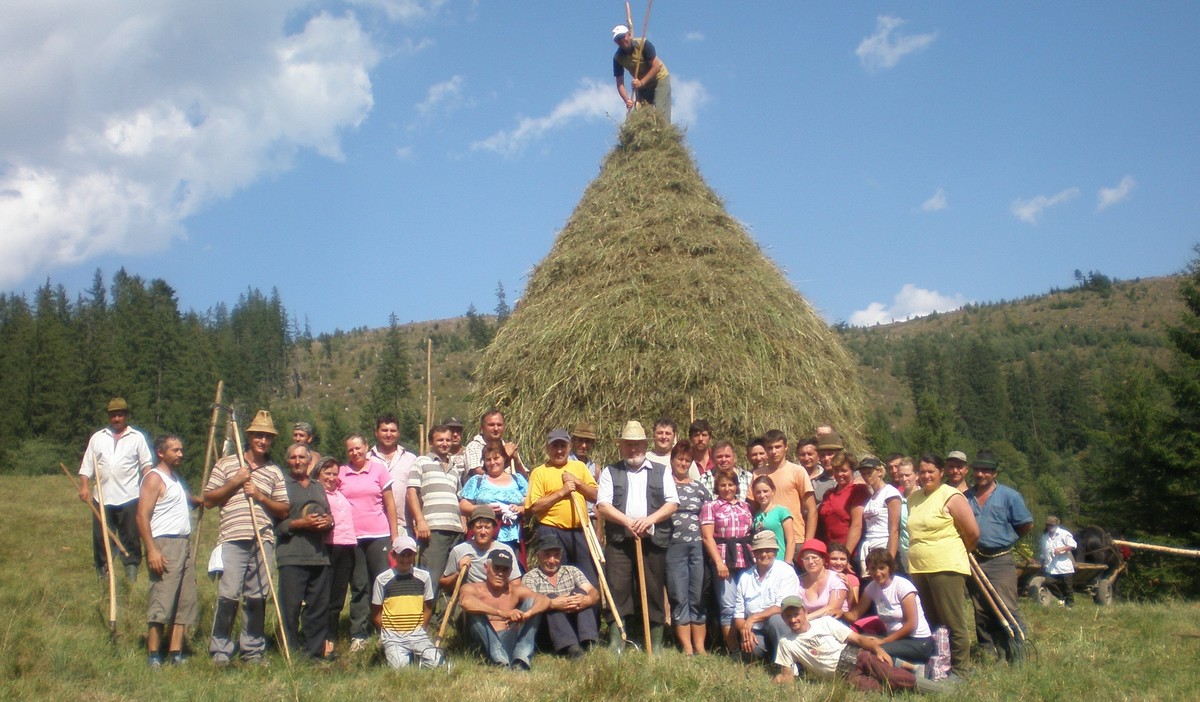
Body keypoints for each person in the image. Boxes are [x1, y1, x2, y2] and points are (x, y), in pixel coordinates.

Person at [202, 410, 290, 666]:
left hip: (262, 538)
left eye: (267, 437)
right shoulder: (228, 464)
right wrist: (237, 482)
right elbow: (208, 500)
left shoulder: (274, 471)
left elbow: (284, 509)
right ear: (249, 437)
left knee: (257, 596)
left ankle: (252, 649)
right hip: (232, 536)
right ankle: (220, 648)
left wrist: (260, 496)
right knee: (228, 594)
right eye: (258, 436)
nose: (263, 440)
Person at [596, 420, 679, 652]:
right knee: (618, 586)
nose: (634, 450)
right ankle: (617, 639)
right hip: (620, 541)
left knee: (653, 588)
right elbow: (603, 505)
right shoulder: (610, 471)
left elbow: (672, 503)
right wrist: (627, 522)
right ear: (621, 446)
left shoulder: (662, 471)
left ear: (645, 445)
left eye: (638, 445)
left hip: (652, 540)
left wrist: (649, 520)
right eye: (628, 445)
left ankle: (656, 641)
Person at [907, 454, 980, 678]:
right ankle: (940, 665)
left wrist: (959, 551)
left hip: (946, 565)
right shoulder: (914, 498)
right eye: (922, 471)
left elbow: (973, 533)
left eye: (931, 471)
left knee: (952, 620)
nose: (926, 475)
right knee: (932, 620)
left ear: (941, 473)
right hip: (919, 567)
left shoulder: (951, 496)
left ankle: (962, 670)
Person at [774, 596, 940, 693]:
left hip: (857, 656)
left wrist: (877, 649)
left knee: (896, 677)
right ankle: (918, 685)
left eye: (796, 614)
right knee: (878, 689)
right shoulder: (786, 643)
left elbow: (858, 639)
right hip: (842, 675)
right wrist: (779, 680)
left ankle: (942, 691)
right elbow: (788, 677)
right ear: (783, 619)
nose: (793, 619)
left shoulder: (824, 622)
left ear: (805, 612)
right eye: (788, 616)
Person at [136, 434, 198, 667]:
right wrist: (152, 549)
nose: (180, 454)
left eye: (181, 450)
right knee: (162, 599)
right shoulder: (154, 478)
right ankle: (154, 655)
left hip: (184, 542)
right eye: (175, 450)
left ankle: (176, 652)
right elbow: (142, 515)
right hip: (164, 543)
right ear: (161, 453)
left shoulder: (175, 479)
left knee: (184, 599)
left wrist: (202, 500)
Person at [965, 449, 1033, 661]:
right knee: (981, 608)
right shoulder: (966, 497)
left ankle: (1018, 650)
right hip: (975, 559)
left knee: (1006, 605)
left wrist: (1006, 539)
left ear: (994, 473)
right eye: (977, 470)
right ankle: (990, 652)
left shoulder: (1009, 496)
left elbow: (1025, 524)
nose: (980, 474)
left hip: (1000, 559)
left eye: (986, 470)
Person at [79, 397, 154, 581]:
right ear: (109, 417)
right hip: (102, 498)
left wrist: (148, 489)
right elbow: (87, 465)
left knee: (131, 538)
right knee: (101, 539)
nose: (117, 419)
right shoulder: (98, 437)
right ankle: (103, 576)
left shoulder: (136, 438)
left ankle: (131, 577)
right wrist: (84, 487)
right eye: (113, 415)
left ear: (126, 416)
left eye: (120, 415)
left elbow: (146, 465)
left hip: (129, 497)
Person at [339, 433, 399, 653]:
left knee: (382, 582)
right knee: (359, 585)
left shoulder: (378, 470)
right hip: (352, 537)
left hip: (379, 534)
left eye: (358, 448)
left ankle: (386, 629)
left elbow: (390, 504)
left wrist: (395, 535)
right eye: (350, 450)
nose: (355, 453)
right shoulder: (341, 473)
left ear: (366, 447)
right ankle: (359, 633)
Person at [525, 429, 600, 599]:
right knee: (558, 578)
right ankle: (561, 620)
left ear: (569, 446)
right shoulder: (540, 472)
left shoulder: (579, 467)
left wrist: (578, 483)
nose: (559, 450)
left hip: (580, 531)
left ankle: (588, 621)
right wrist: (562, 492)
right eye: (555, 446)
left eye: (562, 446)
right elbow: (534, 507)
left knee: (588, 577)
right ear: (548, 448)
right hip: (552, 531)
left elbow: (596, 495)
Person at [275, 443, 332, 660]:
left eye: (302, 457)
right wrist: (300, 524)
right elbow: (277, 526)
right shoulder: (282, 486)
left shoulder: (318, 487)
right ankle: (289, 652)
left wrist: (329, 522)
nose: (297, 461)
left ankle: (313, 654)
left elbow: (327, 515)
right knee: (290, 608)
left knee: (318, 608)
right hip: (292, 555)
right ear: (287, 461)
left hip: (319, 556)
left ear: (310, 461)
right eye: (293, 458)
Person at [458, 551, 551, 670]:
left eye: (505, 569)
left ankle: (520, 661)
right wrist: (502, 613)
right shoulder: (472, 588)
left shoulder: (515, 590)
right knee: (474, 611)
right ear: (486, 568)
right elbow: (466, 602)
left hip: (507, 639)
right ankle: (499, 660)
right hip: (482, 643)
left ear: (510, 572)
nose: (500, 573)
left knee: (532, 603)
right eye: (496, 568)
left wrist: (527, 614)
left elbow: (545, 600)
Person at [407, 425, 466, 609]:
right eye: (440, 440)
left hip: (455, 529)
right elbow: (411, 493)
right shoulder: (422, 462)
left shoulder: (455, 469)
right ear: (431, 442)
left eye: (448, 440)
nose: (445, 443)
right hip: (434, 528)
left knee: (452, 577)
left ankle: (445, 619)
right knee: (431, 576)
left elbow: (459, 499)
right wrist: (420, 520)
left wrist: (463, 523)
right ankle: (425, 623)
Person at [843, 549, 934, 666]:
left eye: (881, 568)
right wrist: (838, 612)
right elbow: (854, 615)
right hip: (894, 640)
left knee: (875, 651)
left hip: (918, 642)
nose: (877, 573)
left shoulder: (902, 586)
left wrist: (883, 642)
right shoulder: (872, 587)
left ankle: (913, 669)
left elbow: (911, 625)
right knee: (858, 643)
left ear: (889, 568)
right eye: (873, 568)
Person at [521, 533, 600, 657]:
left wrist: (588, 599)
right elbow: (531, 604)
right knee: (550, 598)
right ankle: (570, 648)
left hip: (572, 622)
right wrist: (552, 604)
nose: (552, 560)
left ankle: (588, 642)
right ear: (538, 556)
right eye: (547, 555)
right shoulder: (530, 577)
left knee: (581, 593)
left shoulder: (572, 571)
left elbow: (593, 592)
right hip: (548, 631)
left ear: (561, 555)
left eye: (556, 555)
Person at [666, 439, 712, 654]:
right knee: (678, 594)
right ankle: (686, 647)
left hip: (697, 547)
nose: (683, 463)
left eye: (687, 460)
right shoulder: (665, 486)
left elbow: (709, 516)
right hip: (673, 546)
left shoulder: (699, 488)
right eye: (680, 459)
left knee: (697, 594)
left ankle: (700, 647)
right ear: (672, 460)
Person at [701, 471, 755, 652]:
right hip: (723, 557)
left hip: (746, 558)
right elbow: (708, 537)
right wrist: (718, 562)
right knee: (728, 605)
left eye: (730, 485)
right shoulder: (711, 506)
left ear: (736, 486)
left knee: (747, 603)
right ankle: (733, 650)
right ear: (717, 487)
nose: (727, 489)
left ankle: (750, 646)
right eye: (723, 485)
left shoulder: (745, 506)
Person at [371, 535, 439, 669]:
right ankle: (403, 656)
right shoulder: (382, 580)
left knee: (437, 662)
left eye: (410, 555)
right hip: (393, 635)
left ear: (415, 555)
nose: (406, 559)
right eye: (402, 555)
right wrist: (387, 631)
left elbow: (428, 608)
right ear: (393, 555)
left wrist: (421, 629)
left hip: (417, 633)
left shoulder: (424, 577)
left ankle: (418, 657)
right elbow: (376, 612)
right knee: (400, 668)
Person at [732, 531, 799, 663]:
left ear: (775, 551)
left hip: (781, 626)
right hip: (757, 630)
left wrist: (752, 618)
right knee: (751, 649)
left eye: (768, 550)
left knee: (775, 620)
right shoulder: (745, 577)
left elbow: (782, 606)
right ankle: (771, 658)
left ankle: (790, 663)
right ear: (754, 553)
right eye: (760, 551)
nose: (764, 555)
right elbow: (739, 615)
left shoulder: (786, 572)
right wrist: (745, 632)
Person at [460, 441, 528, 556]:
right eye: (488, 459)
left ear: (504, 459)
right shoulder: (477, 480)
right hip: (483, 535)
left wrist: (520, 508)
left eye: (496, 458)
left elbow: (530, 502)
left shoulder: (518, 479)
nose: (492, 463)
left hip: (512, 536)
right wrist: (484, 509)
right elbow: (463, 506)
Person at [317, 457, 356, 657]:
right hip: (328, 546)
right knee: (325, 594)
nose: (331, 478)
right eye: (327, 473)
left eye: (334, 474)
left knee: (338, 596)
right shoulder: (318, 494)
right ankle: (321, 638)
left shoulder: (339, 493)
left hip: (347, 545)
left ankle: (331, 636)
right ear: (318, 475)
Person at [753, 429, 818, 543]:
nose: (774, 451)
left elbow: (812, 509)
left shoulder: (797, 471)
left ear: (786, 447)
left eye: (778, 447)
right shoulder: (757, 474)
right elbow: (753, 508)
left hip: (796, 538)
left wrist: (809, 542)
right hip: (767, 540)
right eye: (770, 447)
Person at [442, 505, 523, 589]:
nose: (483, 532)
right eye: (479, 527)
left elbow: (516, 583)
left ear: (494, 528)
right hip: (470, 597)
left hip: (497, 596)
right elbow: (444, 583)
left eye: (487, 527)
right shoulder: (459, 550)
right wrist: (459, 572)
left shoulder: (505, 550)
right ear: (472, 528)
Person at [370, 413, 419, 538]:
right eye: (384, 430)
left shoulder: (411, 459)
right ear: (376, 433)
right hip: (375, 527)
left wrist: (417, 521)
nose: (388, 434)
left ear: (398, 433)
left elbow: (417, 493)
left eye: (393, 430)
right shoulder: (367, 459)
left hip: (405, 525)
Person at [612, 24, 671, 123]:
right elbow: (620, 84)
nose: (621, 41)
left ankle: (664, 134)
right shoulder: (618, 58)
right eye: (618, 39)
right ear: (615, 42)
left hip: (659, 79)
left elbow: (656, 66)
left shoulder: (643, 44)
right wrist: (627, 100)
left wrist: (641, 83)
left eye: (623, 37)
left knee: (660, 113)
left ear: (629, 35)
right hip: (642, 86)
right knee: (641, 116)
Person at [816, 451, 868, 561]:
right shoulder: (829, 493)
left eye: (844, 470)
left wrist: (845, 556)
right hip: (830, 552)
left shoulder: (858, 490)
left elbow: (857, 525)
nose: (840, 474)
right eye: (836, 470)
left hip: (850, 553)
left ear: (852, 471)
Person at [858, 455, 903, 571]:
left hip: (884, 545)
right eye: (863, 473)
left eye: (869, 472)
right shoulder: (872, 496)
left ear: (879, 471)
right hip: (870, 547)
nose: (866, 476)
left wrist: (890, 560)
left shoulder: (890, 492)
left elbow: (894, 529)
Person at [463, 410, 526, 478]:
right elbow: (477, 474)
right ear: (482, 428)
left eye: (499, 425)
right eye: (491, 425)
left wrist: (517, 461)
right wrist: (506, 456)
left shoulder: (508, 447)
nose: (496, 428)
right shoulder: (474, 446)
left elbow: (525, 479)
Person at [796, 539, 848, 619]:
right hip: (809, 625)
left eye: (814, 557)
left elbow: (832, 608)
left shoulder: (836, 579)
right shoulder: (798, 581)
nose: (810, 562)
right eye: (806, 558)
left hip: (836, 622)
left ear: (823, 560)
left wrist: (805, 619)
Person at [750, 475, 795, 563]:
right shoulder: (756, 515)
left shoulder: (782, 511)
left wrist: (788, 563)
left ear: (773, 491)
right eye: (758, 492)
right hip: (762, 562)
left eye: (765, 491)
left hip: (780, 560)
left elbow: (791, 540)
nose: (762, 495)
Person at [1040, 516, 1077, 608]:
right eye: (1048, 525)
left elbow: (1073, 545)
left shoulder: (1064, 534)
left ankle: (1070, 606)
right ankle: (1061, 598)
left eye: (1052, 525)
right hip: (1051, 567)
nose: (1050, 527)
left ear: (1056, 525)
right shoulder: (1045, 537)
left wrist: (1062, 548)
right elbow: (1044, 552)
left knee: (1068, 588)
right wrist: (1042, 561)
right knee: (1048, 582)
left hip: (1064, 566)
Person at [894, 458, 917, 573]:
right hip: (904, 554)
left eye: (908, 475)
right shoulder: (897, 499)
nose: (904, 479)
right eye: (901, 475)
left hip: (922, 553)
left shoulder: (925, 497)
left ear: (916, 475)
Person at [799, 437, 835, 504]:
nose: (806, 458)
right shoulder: (796, 477)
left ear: (817, 456)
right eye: (802, 455)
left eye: (810, 454)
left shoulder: (850, 476)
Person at [827, 543, 860, 611]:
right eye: (834, 559)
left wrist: (849, 587)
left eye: (842, 559)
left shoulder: (852, 579)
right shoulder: (822, 577)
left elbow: (854, 608)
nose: (839, 563)